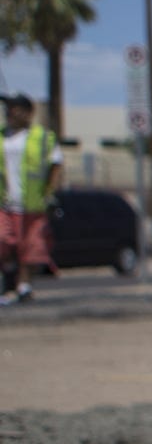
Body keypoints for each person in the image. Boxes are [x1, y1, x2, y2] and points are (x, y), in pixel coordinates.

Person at [1, 94, 62, 303]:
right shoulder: (1, 136)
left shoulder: (42, 137)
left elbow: (56, 164)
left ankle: (24, 286)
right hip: (4, 202)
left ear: (28, 113)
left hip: (33, 204)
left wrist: (50, 192)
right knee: (3, 240)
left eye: (15, 109)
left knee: (31, 247)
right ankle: (9, 277)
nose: (10, 113)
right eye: (8, 109)